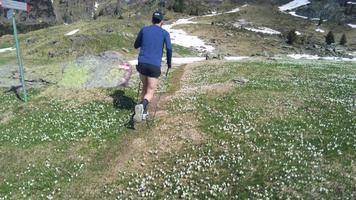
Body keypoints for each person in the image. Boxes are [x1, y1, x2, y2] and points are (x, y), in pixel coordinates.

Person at [133, 11, 172, 122]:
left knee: (145, 86)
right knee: (150, 91)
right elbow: (169, 49)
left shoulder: (144, 29)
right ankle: (142, 106)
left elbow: (136, 45)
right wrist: (169, 63)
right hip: (154, 65)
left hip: (142, 64)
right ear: (162, 22)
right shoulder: (165, 33)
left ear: (152, 20)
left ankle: (142, 113)